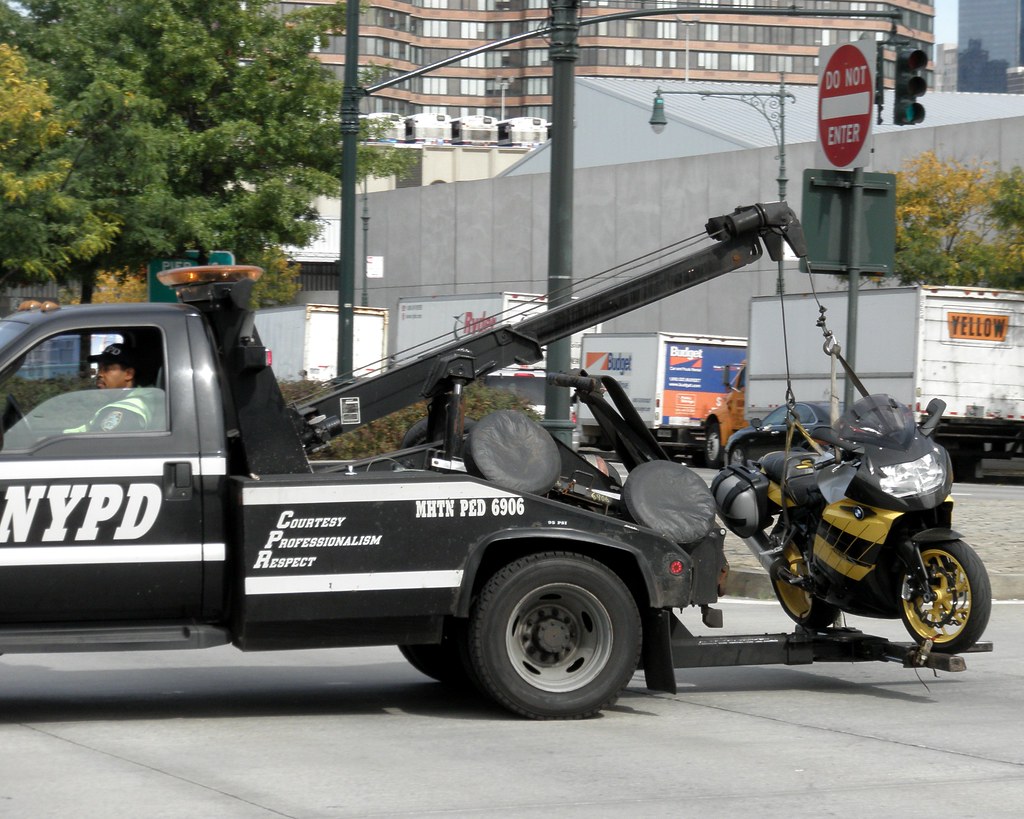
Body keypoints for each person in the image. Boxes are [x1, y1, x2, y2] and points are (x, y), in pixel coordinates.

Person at [70, 343, 156, 432]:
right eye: (99, 369)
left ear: (128, 374)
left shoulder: (124, 411)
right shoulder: (133, 399)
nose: (99, 374)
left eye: (106, 369)